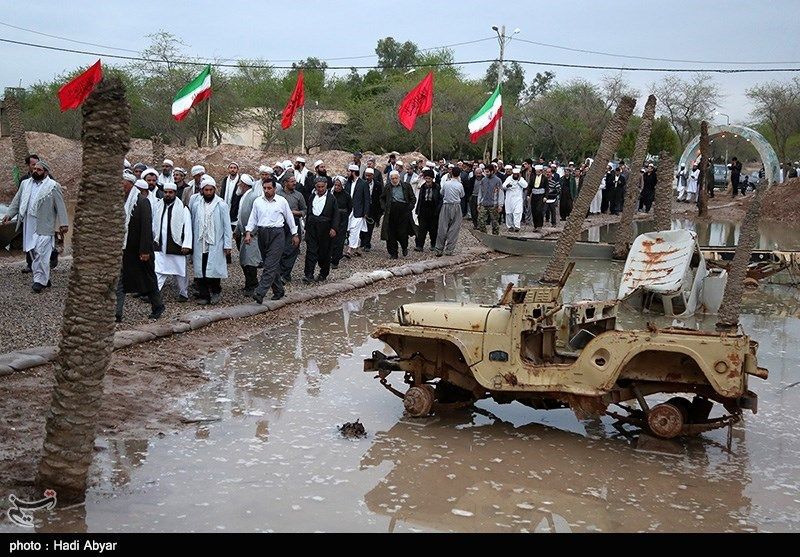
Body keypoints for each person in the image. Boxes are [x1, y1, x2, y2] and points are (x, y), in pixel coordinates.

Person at [3, 160, 68, 292]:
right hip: (29, 223)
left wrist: (64, 223)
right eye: (34, 169)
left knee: (41, 252)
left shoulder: (53, 186)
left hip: (45, 224)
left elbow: (60, 205)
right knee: (32, 252)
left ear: (46, 172)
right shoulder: (25, 184)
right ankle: (44, 277)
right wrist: (9, 214)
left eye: (39, 170)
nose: (35, 171)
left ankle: (39, 281)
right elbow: (17, 200)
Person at [116, 177, 164, 321]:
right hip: (126, 248)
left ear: (130, 184)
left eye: (123, 182)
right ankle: (116, 312)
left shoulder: (142, 202)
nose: (121, 185)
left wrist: (144, 251)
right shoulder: (122, 201)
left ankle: (158, 306)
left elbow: (146, 228)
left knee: (148, 278)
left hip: (140, 249)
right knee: (120, 280)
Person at [244, 179, 299, 303]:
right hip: (262, 234)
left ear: (275, 188)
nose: (267, 191)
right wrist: (248, 232)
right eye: (265, 188)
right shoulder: (258, 202)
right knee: (271, 264)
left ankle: (260, 292)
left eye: (269, 188)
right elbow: (253, 217)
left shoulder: (282, 201)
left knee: (269, 265)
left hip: (277, 234)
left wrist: (295, 234)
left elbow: (289, 218)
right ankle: (279, 290)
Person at [189, 180, 232, 305]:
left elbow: (226, 226)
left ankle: (215, 292)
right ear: (202, 190)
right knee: (200, 269)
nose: (208, 193)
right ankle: (204, 295)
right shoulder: (197, 204)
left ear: (214, 190)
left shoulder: (221, 205)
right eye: (206, 190)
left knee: (214, 268)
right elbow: (192, 223)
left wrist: (227, 244)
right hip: (200, 242)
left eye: (210, 190)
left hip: (216, 242)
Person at [152, 182, 192, 302]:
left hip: (176, 244)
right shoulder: (158, 206)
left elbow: (188, 228)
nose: (168, 195)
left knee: (180, 272)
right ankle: (155, 294)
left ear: (175, 193)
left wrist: (186, 244)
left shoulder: (183, 209)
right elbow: (154, 224)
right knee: (159, 270)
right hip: (161, 244)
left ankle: (183, 293)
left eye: (170, 192)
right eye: (166, 192)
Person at [303, 176, 340, 283]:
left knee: (325, 252)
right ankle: (308, 274)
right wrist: (306, 228)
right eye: (318, 187)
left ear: (326, 186)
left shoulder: (331, 198)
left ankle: (323, 273)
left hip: (325, 228)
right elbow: (309, 212)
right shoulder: (311, 197)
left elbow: (336, 215)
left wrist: (334, 228)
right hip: (312, 228)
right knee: (311, 251)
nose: (320, 189)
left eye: (322, 187)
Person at [234, 173, 261, 296]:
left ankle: (253, 285)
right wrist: (237, 230)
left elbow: (256, 217)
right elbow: (241, 216)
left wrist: (251, 232)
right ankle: (248, 284)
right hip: (244, 233)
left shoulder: (253, 197)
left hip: (251, 235)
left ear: (244, 184)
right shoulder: (245, 196)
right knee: (244, 260)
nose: (238, 185)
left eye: (240, 183)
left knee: (250, 260)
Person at [277, 175, 307, 283]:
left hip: (294, 224)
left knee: (292, 249)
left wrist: (297, 213)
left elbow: (305, 210)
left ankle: (286, 274)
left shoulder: (299, 195)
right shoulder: (278, 195)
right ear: (285, 183)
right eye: (292, 181)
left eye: (295, 181)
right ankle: (279, 273)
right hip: (280, 224)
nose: (294, 183)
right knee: (280, 248)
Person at [380, 170, 415, 259]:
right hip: (391, 211)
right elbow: (382, 198)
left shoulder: (406, 186)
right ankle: (393, 253)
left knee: (402, 232)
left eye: (396, 178)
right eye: (392, 178)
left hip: (403, 211)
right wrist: (384, 207)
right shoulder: (388, 187)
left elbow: (412, 198)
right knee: (391, 233)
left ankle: (404, 247)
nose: (394, 180)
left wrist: (410, 207)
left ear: (399, 178)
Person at [435, 165, 464, 256]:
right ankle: (449, 250)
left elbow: (441, 192)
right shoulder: (460, 185)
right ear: (459, 174)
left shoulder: (446, 183)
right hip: (456, 206)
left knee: (442, 227)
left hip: (446, 205)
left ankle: (439, 249)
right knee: (454, 228)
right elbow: (462, 195)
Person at [344, 164, 370, 258]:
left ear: (353, 172)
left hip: (359, 211)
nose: (347, 173)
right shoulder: (348, 183)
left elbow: (367, 199)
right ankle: (357, 248)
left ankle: (349, 249)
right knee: (351, 229)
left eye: (348, 171)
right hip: (349, 211)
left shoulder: (363, 183)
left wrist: (366, 212)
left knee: (354, 230)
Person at [414, 169, 442, 251]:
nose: (428, 180)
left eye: (429, 178)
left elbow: (440, 200)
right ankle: (420, 245)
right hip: (423, 210)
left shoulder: (437, 187)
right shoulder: (423, 187)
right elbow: (420, 199)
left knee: (433, 229)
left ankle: (433, 244)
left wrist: (438, 210)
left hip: (433, 210)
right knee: (422, 229)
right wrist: (417, 210)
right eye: (426, 178)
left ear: (432, 178)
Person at [330, 176, 352, 270]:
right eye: (335, 185)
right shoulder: (331, 194)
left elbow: (350, 208)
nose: (337, 187)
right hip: (332, 218)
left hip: (342, 219)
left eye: (339, 185)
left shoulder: (346, 195)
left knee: (339, 240)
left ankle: (335, 260)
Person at [360, 167, 383, 252]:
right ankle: (362, 241)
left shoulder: (377, 184)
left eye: (369, 176)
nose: (367, 177)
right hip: (363, 209)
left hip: (373, 209)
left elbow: (380, 197)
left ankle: (367, 244)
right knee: (361, 226)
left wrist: (380, 212)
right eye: (366, 175)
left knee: (370, 228)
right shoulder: (361, 183)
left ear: (373, 176)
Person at [477, 165, 504, 234]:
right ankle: (484, 234)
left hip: (494, 204)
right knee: (480, 220)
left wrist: (500, 205)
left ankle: (495, 237)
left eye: (488, 172)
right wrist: (479, 203)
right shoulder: (483, 180)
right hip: (484, 203)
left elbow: (500, 193)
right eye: (485, 172)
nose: (486, 173)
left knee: (495, 222)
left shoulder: (498, 180)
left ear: (492, 171)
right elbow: (480, 192)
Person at [502, 166, 527, 232]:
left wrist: (519, 181)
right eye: (514, 174)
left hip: (518, 199)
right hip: (509, 199)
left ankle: (517, 226)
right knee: (508, 213)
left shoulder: (521, 179)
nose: (515, 175)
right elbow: (503, 186)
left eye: (517, 174)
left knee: (517, 212)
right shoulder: (509, 178)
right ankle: (510, 226)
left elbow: (525, 185)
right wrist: (507, 186)